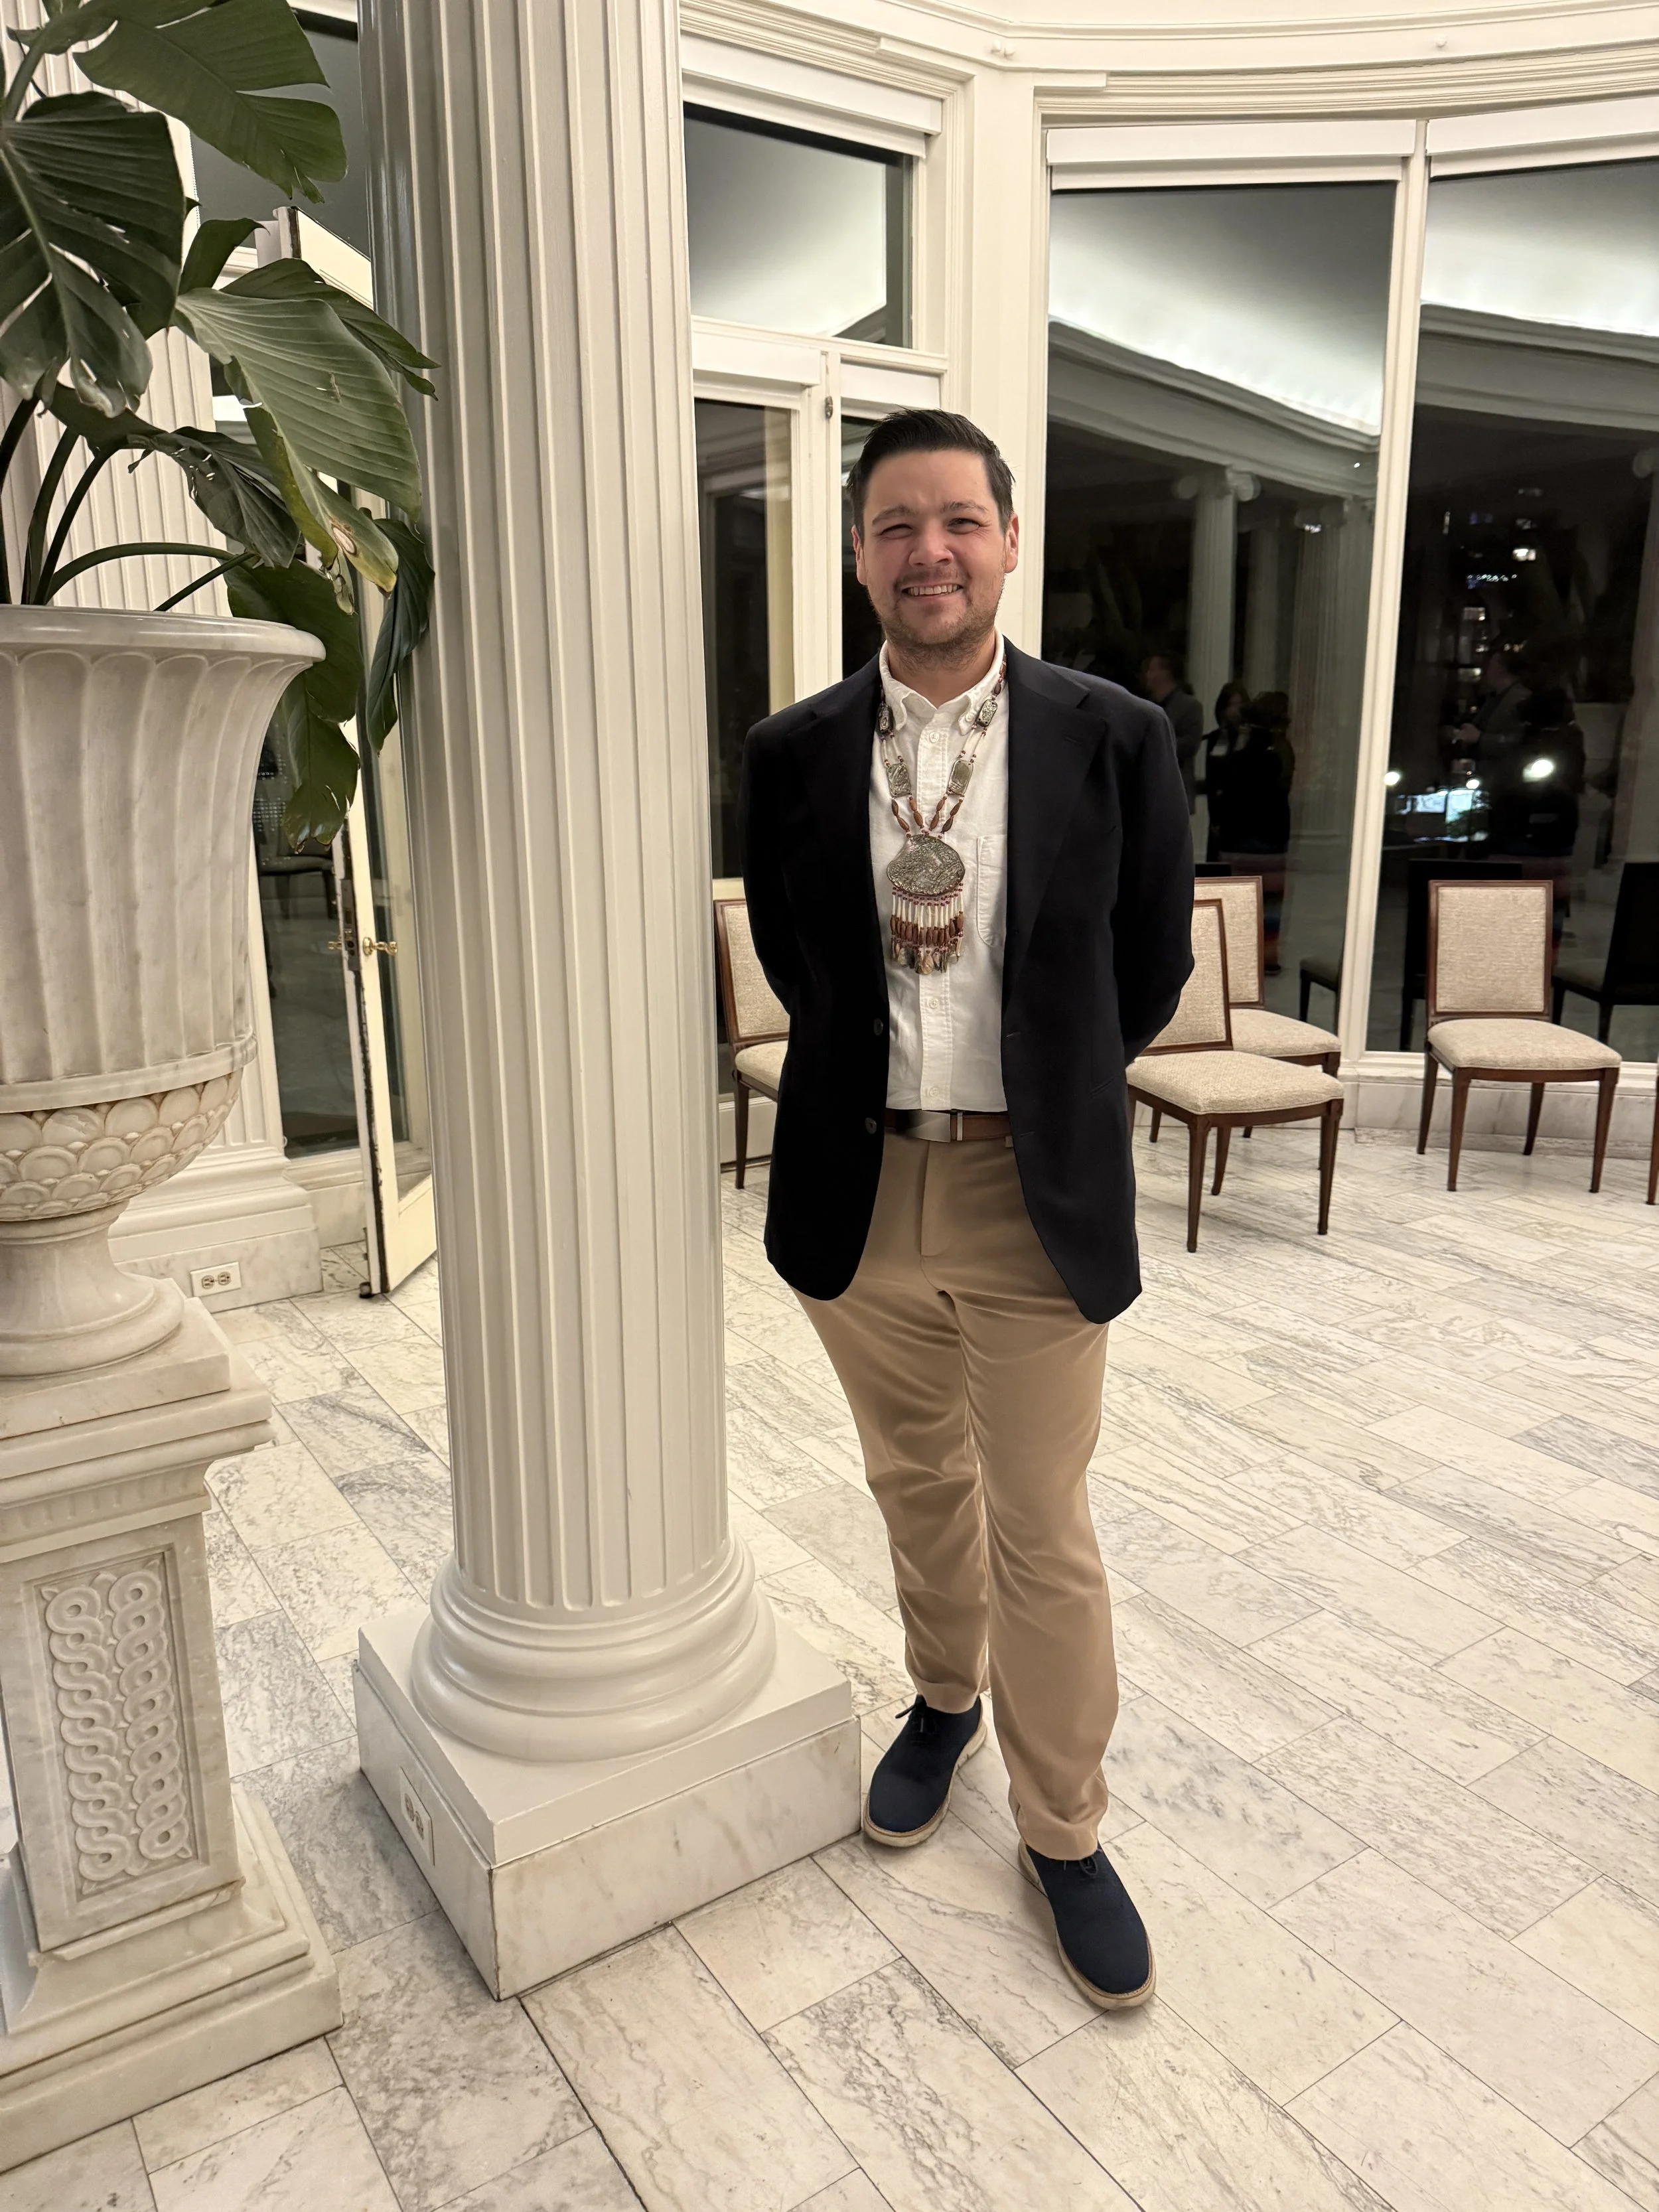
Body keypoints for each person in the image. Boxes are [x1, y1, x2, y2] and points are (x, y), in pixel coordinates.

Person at [740, 409, 1192, 2008]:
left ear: (1007, 541)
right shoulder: (793, 753)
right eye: (893, 527)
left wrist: (1044, 1088)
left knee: (1044, 1526)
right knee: (910, 1480)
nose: (927, 552)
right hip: (859, 1190)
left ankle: (1063, 1828)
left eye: (957, 522)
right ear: (859, 556)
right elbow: (802, 966)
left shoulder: (1111, 735)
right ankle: (945, 1698)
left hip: (1028, 1191)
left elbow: (1148, 970)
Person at [1141, 651, 1206, 812]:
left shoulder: (1190, 706)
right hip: (1146, 791)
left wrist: (1153, 745)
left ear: (1165, 673)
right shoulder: (1145, 707)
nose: (1147, 675)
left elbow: (1190, 745)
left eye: (1151, 670)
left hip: (1174, 792)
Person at [1196, 680, 1250, 863]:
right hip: (1218, 811)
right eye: (1231, 705)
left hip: (1239, 811)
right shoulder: (1215, 738)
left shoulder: (1247, 737)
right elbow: (1211, 775)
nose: (1235, 710)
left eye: (1239, 704)